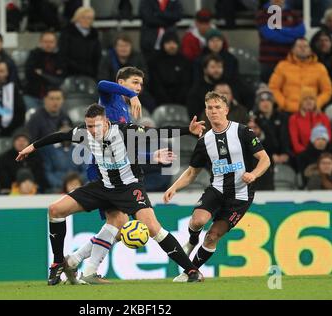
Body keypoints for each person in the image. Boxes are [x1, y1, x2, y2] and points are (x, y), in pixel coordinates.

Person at [16, 103, 206, 285]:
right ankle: (59, 263)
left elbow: (156, 132)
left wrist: (187, 130)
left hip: (129, 187)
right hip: (103, 186)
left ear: (106, 122)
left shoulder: (125, 131)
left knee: (152, 226)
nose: (92, 130)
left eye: (96, 126)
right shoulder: (83, 132)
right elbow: (59, 136)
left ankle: (191, 270)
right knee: (55, 210)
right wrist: (31, 147)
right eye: (89, 126)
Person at [163, 91, 271, 281]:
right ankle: (192, 240)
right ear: (206, 111)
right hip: (217, 189)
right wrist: (174, 187)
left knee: (212, 237)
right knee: (197, 221)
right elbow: (191, 172)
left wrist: (253, 174)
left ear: (226, 110)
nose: (214, 111)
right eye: (210, 108)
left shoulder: (243, 131)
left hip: (240, 196)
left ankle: (191, 271)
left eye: (218, 107)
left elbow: (264, 159)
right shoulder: (204, 140)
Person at [269, 38, 332, 113]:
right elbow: (273, 88)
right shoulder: (282, 66)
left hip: (311, 111)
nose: (303, 49)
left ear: (310, 50)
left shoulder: (320, 68)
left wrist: (316, 104)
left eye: (306, 46)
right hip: (288, 111)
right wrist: (283, 104)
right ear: (292, 50)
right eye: (299, 46)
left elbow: (327, 90)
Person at [256, 0, 305, 82]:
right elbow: (270, 35)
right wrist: (292, 37)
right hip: (269, 61)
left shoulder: (293, 13)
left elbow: (301, 32)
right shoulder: (263, 14)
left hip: (290, 60)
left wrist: (279, 29)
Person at [24, 32, 67, 110]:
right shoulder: (33, 55)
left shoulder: (61, 57)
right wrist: (50, 77)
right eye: (45, 42)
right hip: (33, 95)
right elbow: (29, 75)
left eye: (51, 42)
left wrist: (42, 74)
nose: (48, 44)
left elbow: (60, 80)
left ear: (56, 43)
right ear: (40, 42)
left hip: (54, 96)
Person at [148, 31, 192, 106]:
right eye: (168, 43)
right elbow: (155, 84)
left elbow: (186, 83)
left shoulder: (184, 61)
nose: (172, 46)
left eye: (174, 43)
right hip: (160, 100)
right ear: (163, 44)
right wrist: (164, 99)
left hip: (181, 101)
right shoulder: (155, 61)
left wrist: (179, 99)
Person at [40, 122, 87, 192]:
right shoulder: (50, 149)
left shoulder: (81, 148)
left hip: (78, 186)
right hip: (57, 187)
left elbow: (86, 170)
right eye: (63, 132)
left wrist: (78, 183)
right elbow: (48, 172)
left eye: (68, 131)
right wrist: (63, 185)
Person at [253, 85, 292, 168]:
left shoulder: (282, 117)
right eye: (262, 101)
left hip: (284, 156)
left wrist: (285, 153)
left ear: (272, 102)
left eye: (268, 100)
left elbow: (286, 137)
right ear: (258, 103)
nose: (265, 103)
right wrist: (270, 156)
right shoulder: (254, 120)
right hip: (263, 157)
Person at [59, 7, 101, 78]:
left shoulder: (94, 35)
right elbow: (63, 54)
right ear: (77, 18)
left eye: (89, 18)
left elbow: (97, 56)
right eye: (83, 17)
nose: (86, 20)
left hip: (90, 74)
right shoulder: (67, 32)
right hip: (70, 73)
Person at [288, 87, 332, 155]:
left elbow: (328, 138)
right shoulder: (294, 119)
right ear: (301, 102)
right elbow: (295, 143)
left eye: (311, 98)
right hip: (303, 155)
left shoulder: (324, 117)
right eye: (305, 99)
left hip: (323, 153)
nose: (308, 101)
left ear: (315, 101)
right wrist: (307, 154)